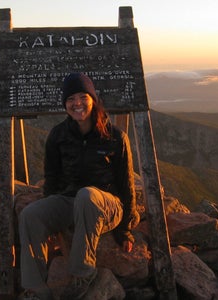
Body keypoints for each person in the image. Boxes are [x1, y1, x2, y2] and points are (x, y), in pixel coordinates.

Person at [18, 72, 137, 300]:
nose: (77, 104)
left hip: (107, 205)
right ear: (65, 104)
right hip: (71, 201)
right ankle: (37, 289)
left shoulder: (115, 137)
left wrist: (125, 230)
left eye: (83, 96)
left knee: (87, 195)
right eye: (71, 99)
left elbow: (127, 184)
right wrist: (50, 218)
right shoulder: (58, 135)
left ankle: (83, 273)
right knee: (30, 215)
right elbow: (51, 178)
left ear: (93, 99)